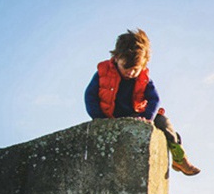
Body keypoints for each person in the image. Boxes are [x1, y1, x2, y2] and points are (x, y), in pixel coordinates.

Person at [84, 29, 200, 176]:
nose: (130, 73)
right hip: (110, 116)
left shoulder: (144, 78)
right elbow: (90, 96)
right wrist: (99, 118)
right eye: (126, 67)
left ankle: (179, 158)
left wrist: (147, 117)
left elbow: (154, 99)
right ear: (117, 58)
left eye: (135, 69)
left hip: (136, 113)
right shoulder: (103, 73)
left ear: (143, 64)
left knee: (164, 122)